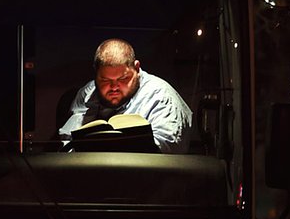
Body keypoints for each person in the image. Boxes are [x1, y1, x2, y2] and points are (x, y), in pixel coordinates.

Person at [59, 38, 192, 153]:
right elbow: (68, 143)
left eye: (123, 79)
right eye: (105, 80)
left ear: (137, 68)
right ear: (96, 74)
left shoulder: (162, 97)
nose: (114, 87)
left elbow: (167, 150)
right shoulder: (87, 93)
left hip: (147, 177)